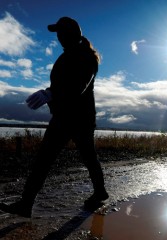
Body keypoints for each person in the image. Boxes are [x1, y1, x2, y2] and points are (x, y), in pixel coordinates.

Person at [0, 17, 108, 218]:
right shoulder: (66, 56)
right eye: (57, 33)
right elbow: (62, 85)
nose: (58, 37)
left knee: (88, 158)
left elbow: (78, 86)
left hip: (80, 120)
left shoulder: (87, 57)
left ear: (71, 34)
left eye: (61, 32)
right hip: (62, 117)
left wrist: (51, 94)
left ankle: (100, 192)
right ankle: (26, 203)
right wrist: (48, 92)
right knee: (44, 159)